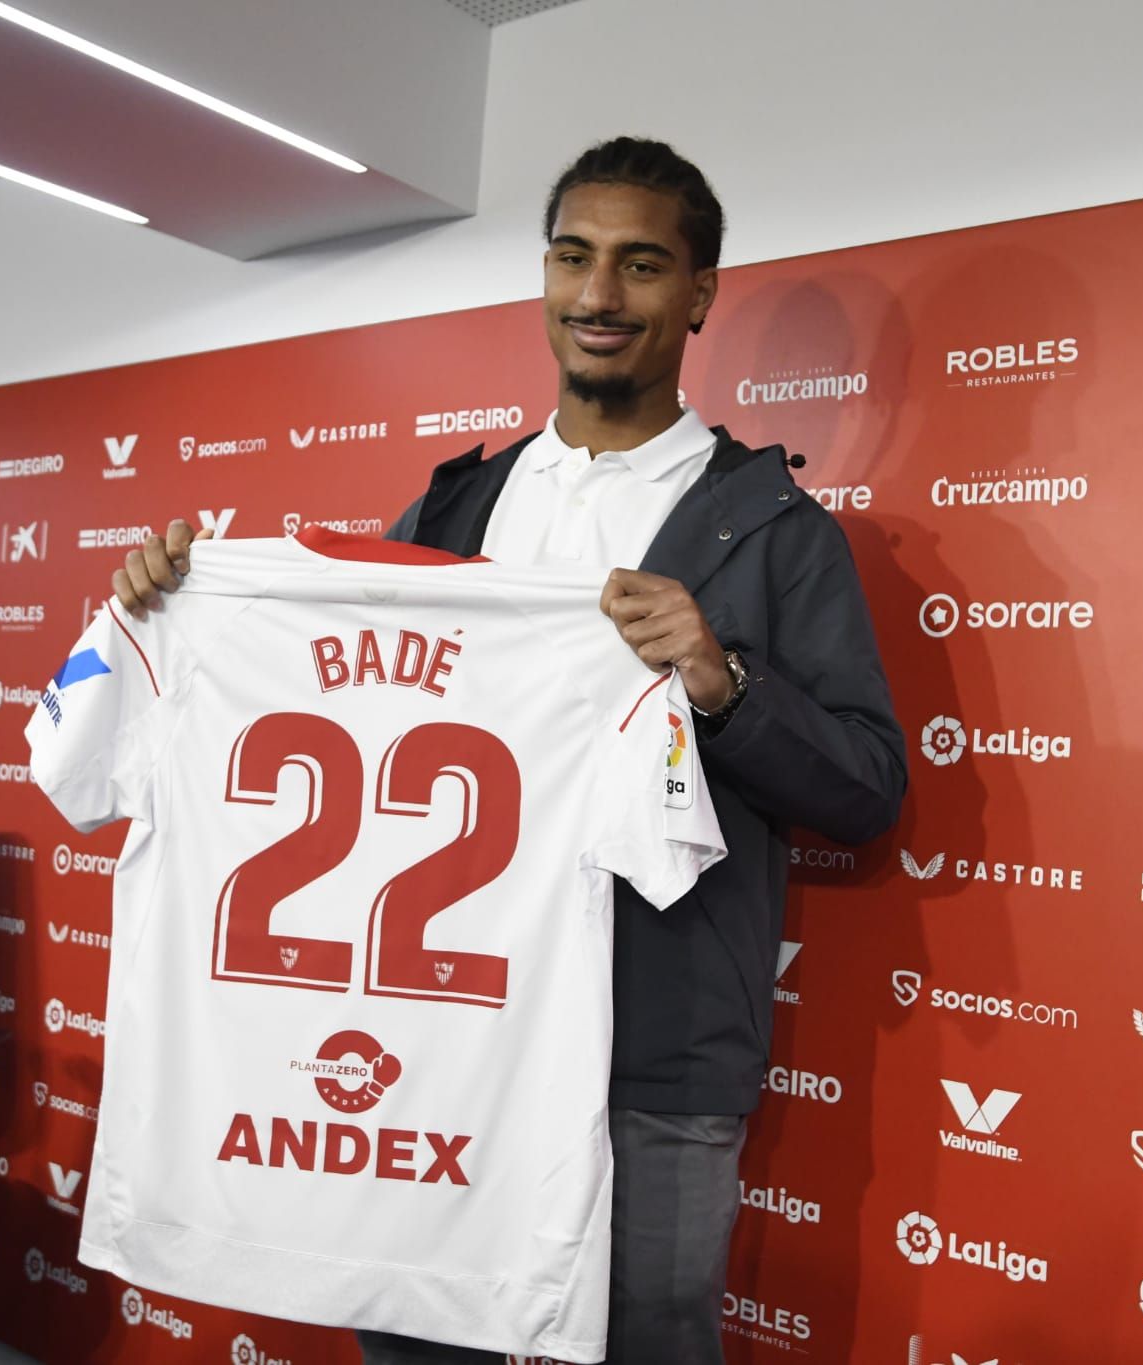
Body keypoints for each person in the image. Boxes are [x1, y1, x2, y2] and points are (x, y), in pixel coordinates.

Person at [111, 136, 906, 1365]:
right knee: (415, 1347)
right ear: (542, 276)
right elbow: (338, 705)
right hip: (438, 1038)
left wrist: (720, 679)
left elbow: (863, 790)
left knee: (646, 1343)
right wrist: (181, 599)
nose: (599, 297)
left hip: (652, 1056)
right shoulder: (448, 512)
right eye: (574, 258)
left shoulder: (776, 533)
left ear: (697, 295)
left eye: (641, 266)